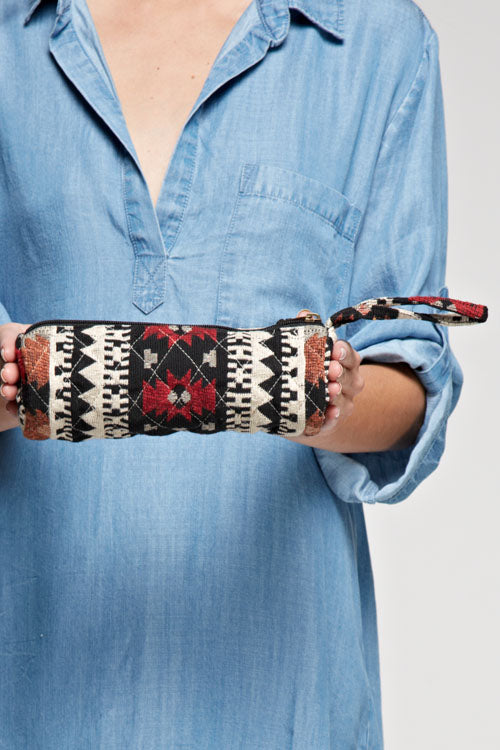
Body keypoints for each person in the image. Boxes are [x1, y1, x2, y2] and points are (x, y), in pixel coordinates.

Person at [0, 0, 463, 746]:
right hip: (33, 695)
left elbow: (413, 383)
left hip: (286, 704)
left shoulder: (377, 41)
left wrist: (327, 390)